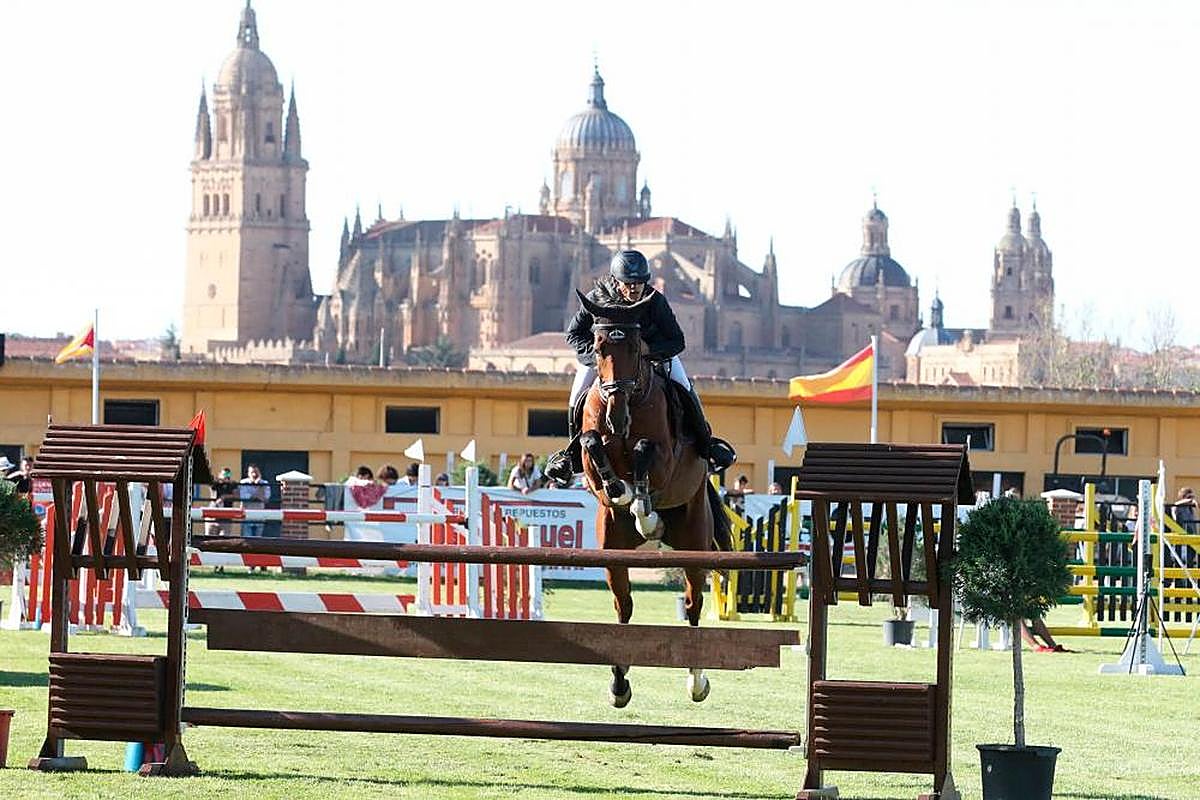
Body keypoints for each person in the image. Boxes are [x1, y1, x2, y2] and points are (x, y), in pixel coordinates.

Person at [545, 250, 736, 486]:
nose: (634, 288)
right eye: (628, 283)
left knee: (684, 387)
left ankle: (706, 444)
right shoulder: (596, 298)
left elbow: (677, 341)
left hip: (652, 358)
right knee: (577, 396)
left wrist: (649, 350)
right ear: (616, 281)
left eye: (639, 282)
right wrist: (598, 356)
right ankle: (571, 455)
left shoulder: (655, 301)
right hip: (605, 362)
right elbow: (574, 334)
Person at [238, 464, 269, 539]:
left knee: (258, 540)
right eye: (252, 472)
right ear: (248, 473)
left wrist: (259, 485)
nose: (254, 474)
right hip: (247, 515)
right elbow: (245, 497)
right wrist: (257, 495)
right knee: (247, 539)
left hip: (260, 515)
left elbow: (265, 498)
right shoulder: (243, 483)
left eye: (256, 472)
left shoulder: (264, 483)